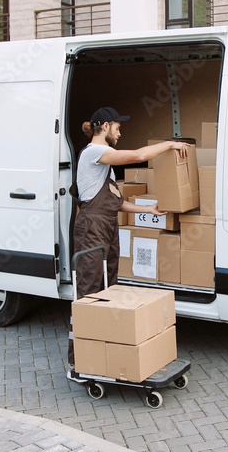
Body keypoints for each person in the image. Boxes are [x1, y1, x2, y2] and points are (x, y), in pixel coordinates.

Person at [68, 106, 189, 372]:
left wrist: (148, 210)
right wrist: (169, 144)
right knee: (89, 290)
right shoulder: (94, 153)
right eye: (118, 127)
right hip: (92, 227)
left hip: (107, 225)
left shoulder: (105, 165)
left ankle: (107, 351)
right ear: (106, 126)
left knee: (109, 288)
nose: (120, 132)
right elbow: (138, 155)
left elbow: (116, 203)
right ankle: (81, 358)